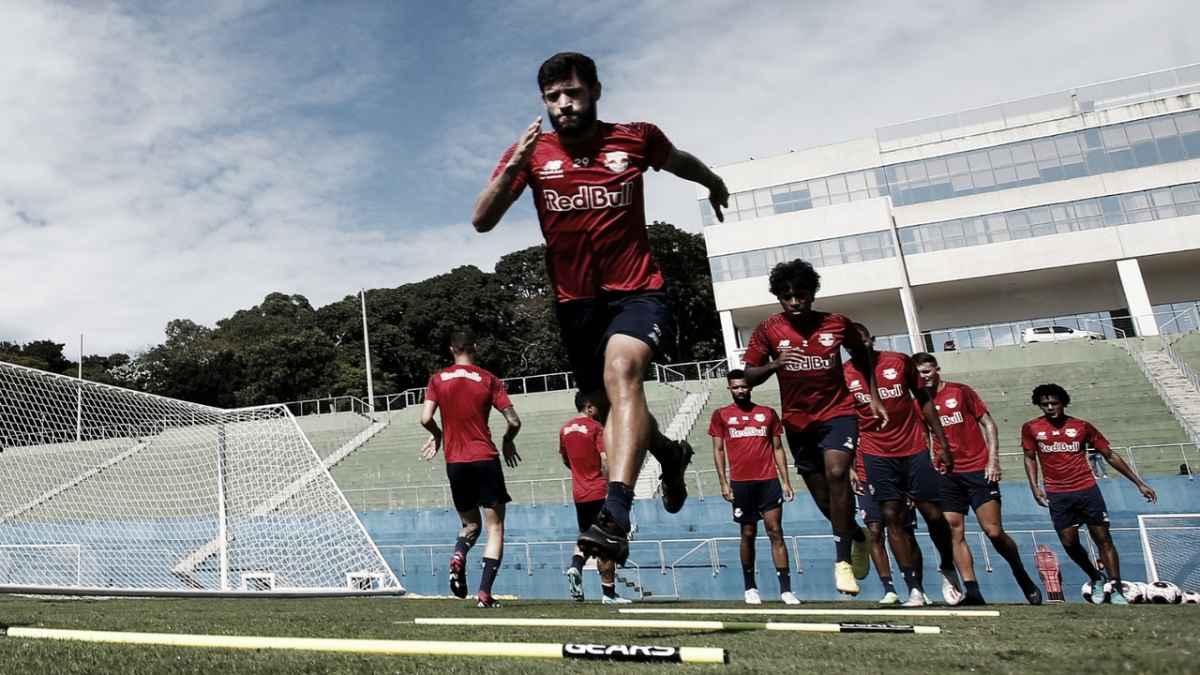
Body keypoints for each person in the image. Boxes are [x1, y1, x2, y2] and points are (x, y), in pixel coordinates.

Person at [472, 52, 728, 565]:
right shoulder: (532, 152)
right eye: (552, 98)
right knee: (608, 403)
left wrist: (712, 182)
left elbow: (680, 160)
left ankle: (615, 515)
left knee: (623, 370)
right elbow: (482, 219)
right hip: (576, 304)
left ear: (595, 91)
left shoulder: (636, 138)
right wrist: (513, 169)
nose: (563, 105)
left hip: (637, 290)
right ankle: (669, 451)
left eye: (572, 93)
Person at [741, 259, 885, 596]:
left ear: (812, 294)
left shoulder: (836, 324)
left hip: (838, 412)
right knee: (824, 499)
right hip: (797, 422)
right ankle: (857, 536)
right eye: (786, 296)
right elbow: (747, 375)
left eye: (800, 295)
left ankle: (842, 562)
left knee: (838, 473)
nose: (794, 302)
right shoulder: (768, 329)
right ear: (779, 297)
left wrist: (874, 396)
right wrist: (776, 364)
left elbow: (863, 356)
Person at [844, 325, 963, 607]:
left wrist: (942, 443)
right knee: (892, 518)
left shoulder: (898, 361)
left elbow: (924, 400)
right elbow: (846, 419)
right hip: (875, 454)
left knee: (934, 515)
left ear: (871, 339)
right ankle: (914, 588)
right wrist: (849, 464)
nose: (858, 346)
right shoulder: (844, 374)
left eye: (862, 340)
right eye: (851, 343)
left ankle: (947, 568)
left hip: (913, 449)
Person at [913, 352, 1043, 606]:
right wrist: (929, 467)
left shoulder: (961, 392)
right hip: (946, 474)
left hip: (977, 470)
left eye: (927, 371)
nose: (924, 377)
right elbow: (925, 438)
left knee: (993, 532)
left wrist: (993, 459)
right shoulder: (918, 402)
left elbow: (988, 424)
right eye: (918, 373)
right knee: (953, 529)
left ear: (937, 369)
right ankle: (972, 590)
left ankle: (1021, 574)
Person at [1021, 383, 1158, 605]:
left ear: (1063, 403)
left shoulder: (1082, 426)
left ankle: (1115, 587)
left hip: (1086, 490)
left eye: (1054, 403)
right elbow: (1029, 457)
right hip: (1057, 493)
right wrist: (1034, 486)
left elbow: (1109, 455)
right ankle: (1095, 577)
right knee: (1068, 542)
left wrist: (1138, 483)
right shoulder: (1031, 428)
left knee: (1103, 539)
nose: (1050, 407)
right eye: (1045, 404)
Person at [419, 330, 522, 608]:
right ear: (474, 347)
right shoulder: (489, 379)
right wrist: (507, 442)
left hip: (456, 463)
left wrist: (438, 435)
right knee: (495, 527)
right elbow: (513, 421)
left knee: (470, 524)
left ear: (451, 349)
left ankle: (459, 553)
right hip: (485, 458)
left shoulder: (436, 380)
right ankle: (485, 594)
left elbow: (425, 417)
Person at [709, 370, 800, 605]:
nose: (740, 390)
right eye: (735, 387)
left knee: (775, 531)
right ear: (729, 388)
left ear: (751, 388)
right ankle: (750, 587)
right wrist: (723, 482)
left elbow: (777, 448)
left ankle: (786, 590)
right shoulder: (721, 415)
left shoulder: (767, 413)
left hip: (768, 481)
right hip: (741, 483)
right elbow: (718, 450)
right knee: (747, 533)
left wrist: (786, 480)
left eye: (744, 386)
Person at [560, 391, 630, 604]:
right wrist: (611, 486)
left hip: (579, 494)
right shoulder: (596, 428)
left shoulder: (564, 429)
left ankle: (575, 565)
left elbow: (565, 459)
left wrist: (580, 473)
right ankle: (608, 594)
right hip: (599, 491)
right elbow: (605, 460)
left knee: (586, 535)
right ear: (589, 406)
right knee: (607, 542)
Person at [850, 449, 922, 605]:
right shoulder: (855, 426)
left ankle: (917, 587)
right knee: (875, 533)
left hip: (892, 475)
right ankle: (888, 588)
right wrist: (851, 470)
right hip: (865, 480)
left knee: (904, 532)